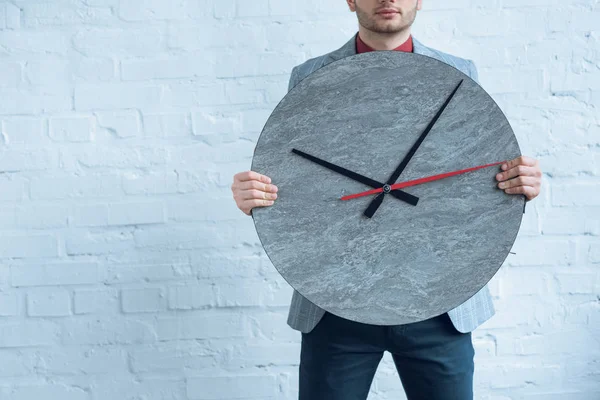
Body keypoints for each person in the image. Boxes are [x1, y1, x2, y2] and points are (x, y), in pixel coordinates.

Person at [231, 1, 542, 399]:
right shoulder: (309, 77)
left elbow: (474, 175)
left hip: (439, 300)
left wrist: (517, 184)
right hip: (335, 301)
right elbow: (298, 179)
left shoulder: (459, 73)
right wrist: (256, 197)